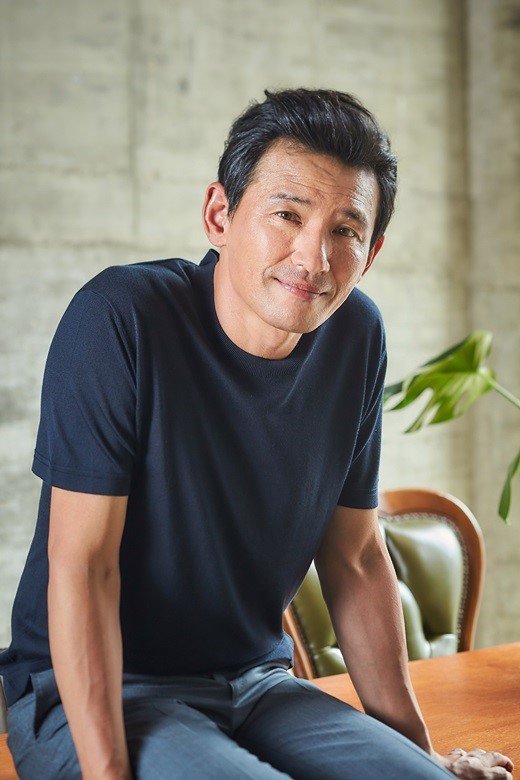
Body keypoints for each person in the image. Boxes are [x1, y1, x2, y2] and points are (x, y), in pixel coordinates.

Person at [0, 88, 514, 780]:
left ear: (371, 252)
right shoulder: (119, 319)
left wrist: (421, 758)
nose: (314, 257)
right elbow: (84, 567)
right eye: (287, 215)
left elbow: (357, 558)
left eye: (345, 231)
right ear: (219, 214)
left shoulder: (357, 335)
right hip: (101, 691)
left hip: (259, 683)